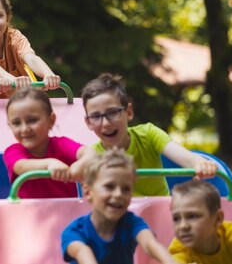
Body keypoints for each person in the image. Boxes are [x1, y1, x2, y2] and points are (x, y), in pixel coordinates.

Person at [81, 73, 218, 196]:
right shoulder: (92, 156)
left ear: (128, 112)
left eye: (112, 113)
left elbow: (188, 159)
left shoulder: (148, 134)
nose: (105, 123)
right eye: (96, 117)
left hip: (160, 215)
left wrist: (200, 164)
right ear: (88, 122)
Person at [61, 148, 179, 264]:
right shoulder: (75, 231)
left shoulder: (132, 223)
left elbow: (150, 243)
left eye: (126, 189)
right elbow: (83, 252)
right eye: (109, 186)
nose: (118, 194)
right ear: (87, 192)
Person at [3, 87, 96, 198]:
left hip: (68, 211)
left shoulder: (62, 144)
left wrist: (78, 166)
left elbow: (91, 154)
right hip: (30, 212)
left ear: (51, 120)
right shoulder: (13, 151)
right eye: (16, 123)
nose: (24, 129)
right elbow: (22, 167)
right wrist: (49, 164)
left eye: (32, 120)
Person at [169, 180, 232, 263]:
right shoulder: (179, 251)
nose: (183, 226)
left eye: (192, 216)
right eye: (176, 219)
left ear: (218, 218)